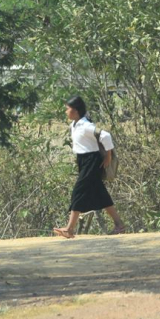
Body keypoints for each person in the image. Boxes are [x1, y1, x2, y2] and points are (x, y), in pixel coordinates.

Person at [53, 96, 125, 238]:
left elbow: (105, 135)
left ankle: (69, 228)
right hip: (83, 160)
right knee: (100, 193)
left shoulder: (85, 125)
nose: (66, 112)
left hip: (92, 160)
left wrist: (108, 156)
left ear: (75, 110)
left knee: (78, 192)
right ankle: (119, 224)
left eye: (67, 109)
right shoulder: (74, 125)